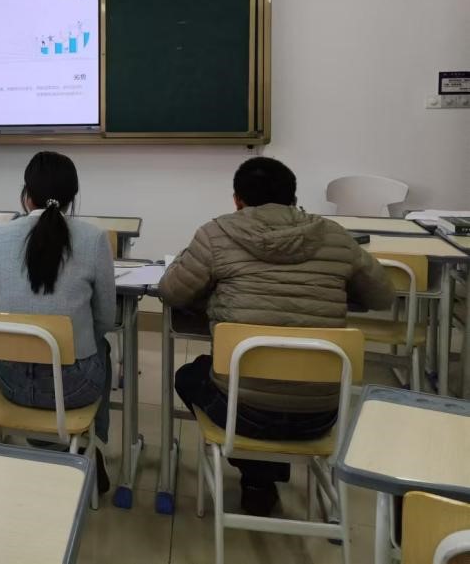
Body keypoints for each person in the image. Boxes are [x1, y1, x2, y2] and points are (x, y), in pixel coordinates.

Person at [160, 156, 394, 517]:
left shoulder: (216, 234)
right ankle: (263, 476)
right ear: (293, 198)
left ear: (237, 200)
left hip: (241, 414)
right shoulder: (335, 235)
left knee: (190, 376)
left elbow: (172, 292)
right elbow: (382, 296)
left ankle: (257, 475)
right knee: (266, 388)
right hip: (320, 415)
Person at [0, 151, 116, 484]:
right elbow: (106, 318)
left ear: (26, 195)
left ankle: (49, 444)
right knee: (101, 347)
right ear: (72, 197)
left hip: (11, 382)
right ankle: (91, 445)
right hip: (74, 388)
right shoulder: (94, 238)